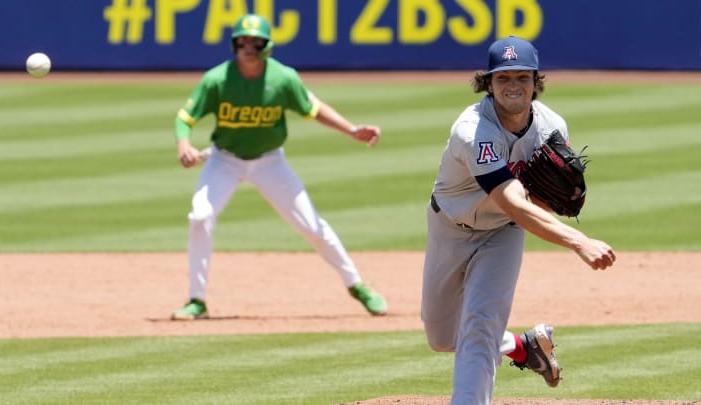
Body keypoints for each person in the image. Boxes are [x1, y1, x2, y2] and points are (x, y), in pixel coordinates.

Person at [422, 36, 616, 404]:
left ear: (535, 81)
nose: (513, 86)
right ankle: (523, 347)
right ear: (489, 83)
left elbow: (536, 203)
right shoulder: (473, 131)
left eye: (522, 78)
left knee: (479, 326)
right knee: (443, 338)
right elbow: (511, 200)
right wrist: (579, 241)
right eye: (503, 78)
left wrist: (554, 204)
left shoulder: (551, 127)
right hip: (450, 226)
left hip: (504, 234)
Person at [170, 14, 387, 320]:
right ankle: (197, 300)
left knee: (313, 226)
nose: (247, 46)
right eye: (241, 41)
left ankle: (357, 286)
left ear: (266, 45)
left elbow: (314, 109)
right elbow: (185, 118)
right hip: (224, 160)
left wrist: (351, 130)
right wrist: (184, 145)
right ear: (234, 44)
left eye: (254, 41)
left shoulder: (283, 78)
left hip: (270, 161)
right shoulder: (217, 79)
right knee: (200, 216)